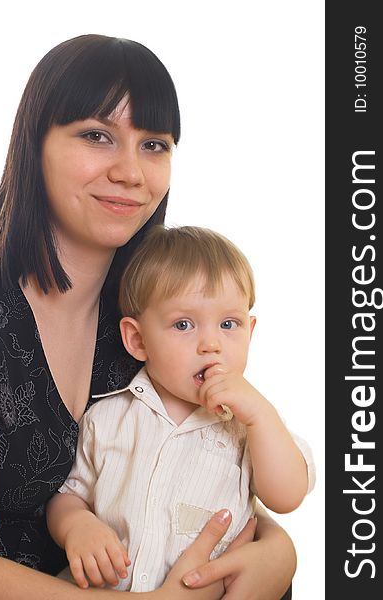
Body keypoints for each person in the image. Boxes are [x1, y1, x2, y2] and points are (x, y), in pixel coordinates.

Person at [0, 34, 297, 599]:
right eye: (97, 136)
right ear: (35, 144)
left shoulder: (150, 318)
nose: (130, 171)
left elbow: (202, 470)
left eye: (154, 145)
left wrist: (278, 551)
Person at [48, 225, 316, 593]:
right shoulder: (108, 417)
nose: (211, 344)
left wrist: (260, 416)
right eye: (184, 324)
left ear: (250, 331)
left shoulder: (250, 426)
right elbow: (69, 495)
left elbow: (287, 496)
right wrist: (77, 526)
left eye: (228, 324)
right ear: (138, 339)